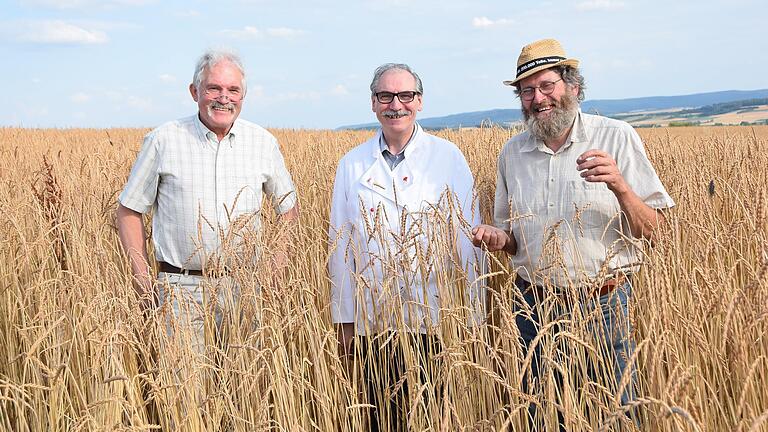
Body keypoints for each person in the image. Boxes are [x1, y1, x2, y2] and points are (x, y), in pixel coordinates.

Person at [471, 38, 675, 424]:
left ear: (573, 87)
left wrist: (620, 186)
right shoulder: (512, 153)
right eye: (527, 91)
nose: (538, 98)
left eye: (547, 85)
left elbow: (658, 231)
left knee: (614, 413)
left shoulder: (617, 137)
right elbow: (513, 239)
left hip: (604, 304)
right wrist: (500, 240)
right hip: (533, 307)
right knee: (542, 414)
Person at [328, 63, 485, 431]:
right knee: (381, 417)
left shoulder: (449, 158)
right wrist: (345, 322)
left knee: (438, 417)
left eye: (405, 96)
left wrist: (472, 317)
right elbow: (342, 250)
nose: (395, 104)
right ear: (373, 103)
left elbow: (468, 243)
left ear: (420, 102)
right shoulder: (351, 165)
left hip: (437, 320)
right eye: (386, 96)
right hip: (375, 323)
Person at [116, 48, 298, 352]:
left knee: (243, 388)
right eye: (213, 88)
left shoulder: (263, 143)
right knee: (185, 393)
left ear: (243, 96)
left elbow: (288, 211)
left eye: (232, 90)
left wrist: (275, 274)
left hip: (245, 288)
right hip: (180, 290)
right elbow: (129, 210)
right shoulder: (163, 140)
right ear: (194, 91)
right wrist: (143, 281)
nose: (223, 98)